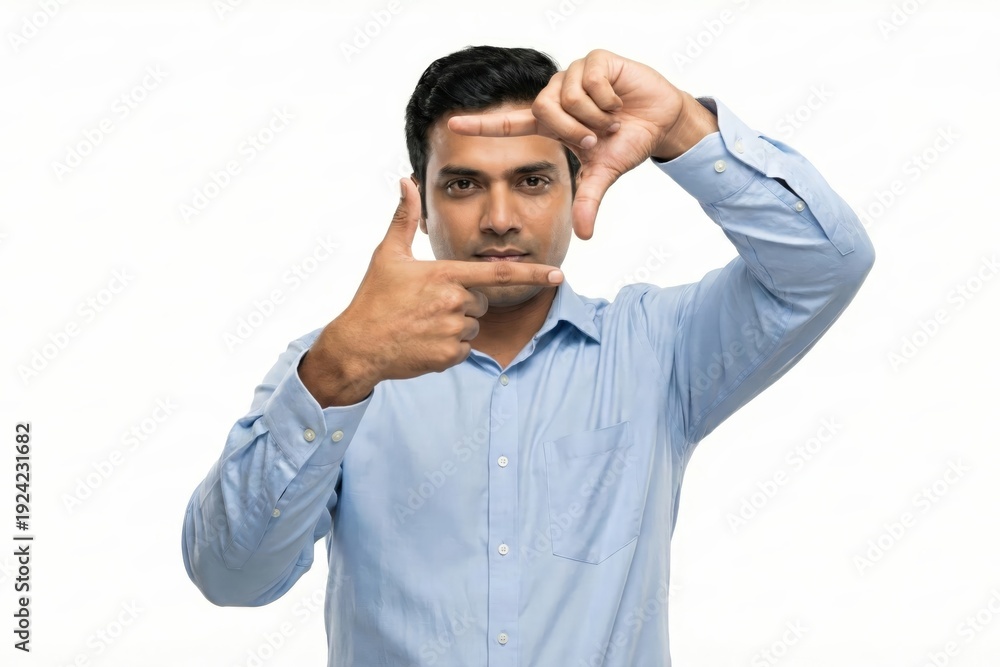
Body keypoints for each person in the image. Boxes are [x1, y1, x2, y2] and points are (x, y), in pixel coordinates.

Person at [182, 45, 874, 666]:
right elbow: (230, 575)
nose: (500, 218)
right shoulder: (338, 368)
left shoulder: (657, 348)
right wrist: (338, 370)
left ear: (577, 184)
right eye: (463, 184)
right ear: (420, 201)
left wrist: (683, 127)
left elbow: (825, 266)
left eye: (533, 181)